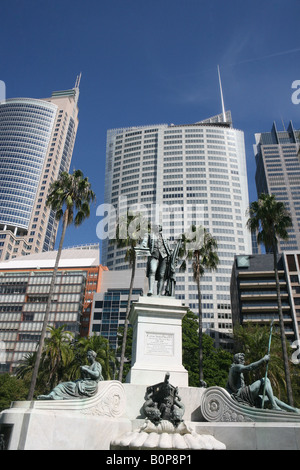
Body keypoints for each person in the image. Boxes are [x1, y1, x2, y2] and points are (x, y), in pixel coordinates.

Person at [226, 352, 299, 413]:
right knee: (265, 380)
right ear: (236, 360)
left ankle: (294, 410)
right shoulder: (235, 367)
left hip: (245, 395)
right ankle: (274, 406)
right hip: (242, 394)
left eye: (243, 359)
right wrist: (263, 360)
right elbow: (249, 368)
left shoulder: (236, 369)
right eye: (240, 359)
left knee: (273, 398)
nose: (243, 360)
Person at [37, 350, 103, 400]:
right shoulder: (88, 366)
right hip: (83, 382)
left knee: (69, 386)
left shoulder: (97, 364)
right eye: (87, 356)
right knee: (63, 385)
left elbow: (97, 374)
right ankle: (52, 395)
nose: (87, 357)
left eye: (89, 356)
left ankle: (58, 396)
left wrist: (86, 370)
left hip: (90, 385)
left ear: (93, 356)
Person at [141, 224, 171, 296]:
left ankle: (159, 293)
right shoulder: (149, 235)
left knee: (162, 275)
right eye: (157, 226)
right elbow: (144, 242)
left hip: (164, 256)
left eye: (159, 226)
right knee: (152, 270)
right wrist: (143, 245)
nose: (158, 227)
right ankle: (151, 290)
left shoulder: (164, 237)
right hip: (154, 254)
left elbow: (168, 247)